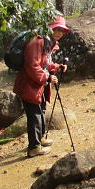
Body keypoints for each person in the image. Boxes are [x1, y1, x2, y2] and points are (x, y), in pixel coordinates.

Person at [13, 16, 70, 157]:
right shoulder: (37, 42)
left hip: (38, 85)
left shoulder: (48, 42)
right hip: (29, 85)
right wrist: (47, 77)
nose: (59, 33)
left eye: (61, 31)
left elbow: (45, 63)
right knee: (34, 115)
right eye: (56, 29)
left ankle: (40, 139)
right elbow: (32, 66)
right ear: (49, 28)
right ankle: (34, 148)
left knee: (41, 110)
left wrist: (57, 67)